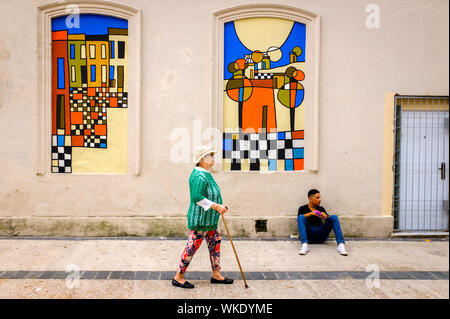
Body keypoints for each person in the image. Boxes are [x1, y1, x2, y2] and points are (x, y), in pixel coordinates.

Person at [172, 145, 234, 289]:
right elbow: (196, 197)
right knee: (192, 247)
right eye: (209, 156)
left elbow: (210, 194)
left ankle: (216, 274)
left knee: (215, 244)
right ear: (201, 160)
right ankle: (178, 276)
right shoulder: (199, 176)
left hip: (210, 221)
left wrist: (219, 206)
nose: (212, 158)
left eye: (212, 155)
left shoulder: (206, 173)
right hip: (200, 221)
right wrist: (216, 206)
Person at [297, 189, 348, 256]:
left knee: (334, 217)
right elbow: (299, 219)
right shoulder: (302, 208)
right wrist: (311, 213)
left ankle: (340, 245)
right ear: (310, 199)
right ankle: (304, 245)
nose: (320, 199)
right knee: (301, 217)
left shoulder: (321, 209)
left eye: (320, 197)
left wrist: (325, 216)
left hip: (321, 236)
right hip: (309, 236)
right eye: (317, 198)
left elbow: (330, 221)